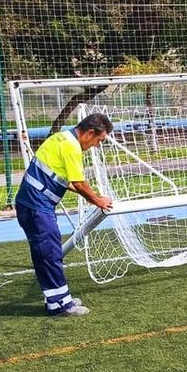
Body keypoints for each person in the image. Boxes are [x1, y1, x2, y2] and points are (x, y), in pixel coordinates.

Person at [14, 113, 114, 317]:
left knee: (47, 254)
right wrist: (98, 200)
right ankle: (60, 305)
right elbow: (79, 183)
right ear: (90, 133)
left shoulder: (60, 138)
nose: (97, 146)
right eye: (99, 140)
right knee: (50, 255)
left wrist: (92, 197)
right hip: (36, 207)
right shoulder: (71, 147)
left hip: (32, 205)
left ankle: (57, 299)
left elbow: (62, 179)